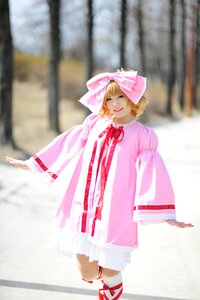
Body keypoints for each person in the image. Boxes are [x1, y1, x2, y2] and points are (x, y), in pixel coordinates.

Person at [6, 70, 193, 300]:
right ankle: (107, 282)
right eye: (109, 99)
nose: (114, 104)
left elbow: (151, 174)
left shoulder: (142, 136)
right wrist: (33, 164)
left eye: (120, 97)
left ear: (132, 98)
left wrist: (165, 213)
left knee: (111, 268)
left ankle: (112, 288)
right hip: (84, 205)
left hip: (115, 212)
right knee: (87, 270)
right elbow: (67, 144)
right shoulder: (94, 123)